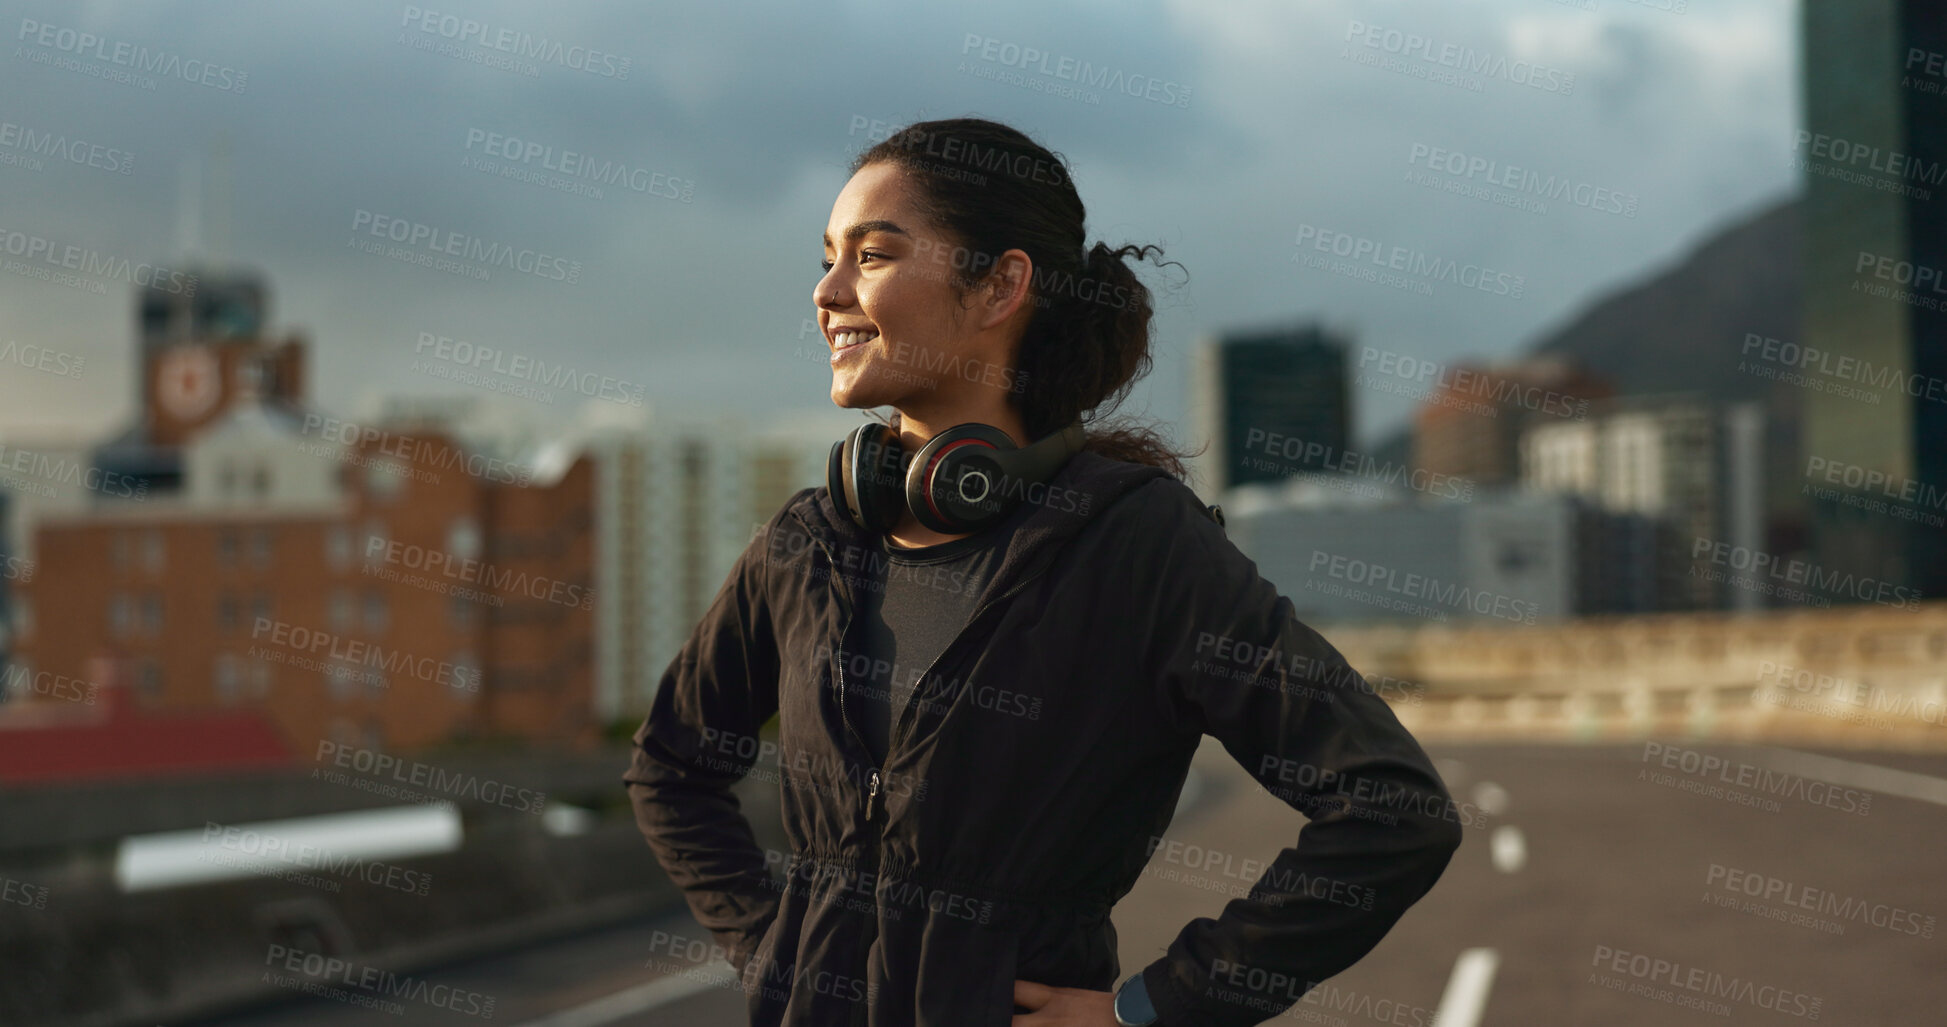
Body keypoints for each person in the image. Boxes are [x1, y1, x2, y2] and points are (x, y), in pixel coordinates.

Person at [623, 117, 1462, 1027]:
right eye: (827, 257)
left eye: (870, 255)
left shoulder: (1133, 542)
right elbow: (672, 763)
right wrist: (774, 949)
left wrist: (1150, 1008)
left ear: (1001, 286)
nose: (826, 293)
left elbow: (1390, 808)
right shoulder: (806, 541)